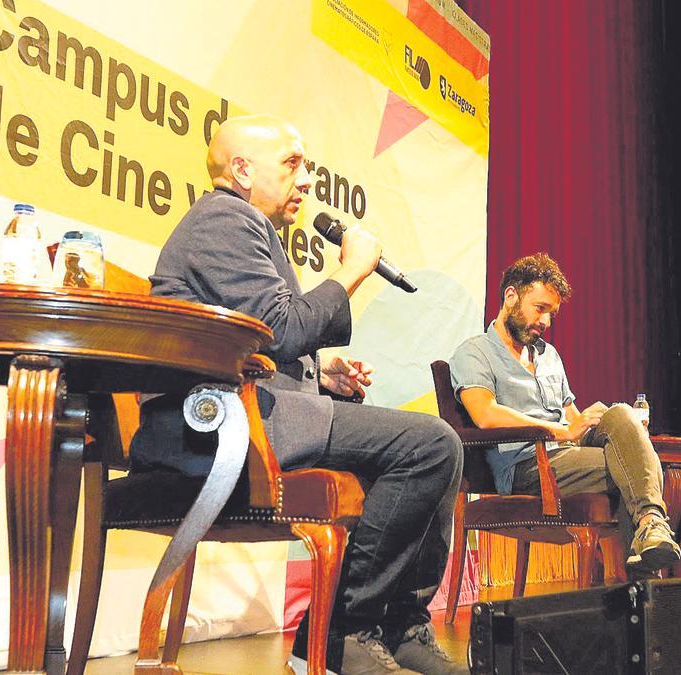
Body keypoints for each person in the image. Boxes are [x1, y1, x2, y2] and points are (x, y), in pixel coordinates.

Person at [130, 114, 466, 675]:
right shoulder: (222, 219)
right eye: (291, 163)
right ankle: (338, 634)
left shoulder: (247, 226)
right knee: (431, 446)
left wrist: (321, 367)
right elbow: (283, 327)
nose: (307, 179)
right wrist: (353, 270)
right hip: (221, 426)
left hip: (261, 409)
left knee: (439, 449)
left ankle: (400, 625)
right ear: (241, 170)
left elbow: (264, 336)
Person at [449, 253, 679, 574]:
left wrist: (597, 422)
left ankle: (649, 531)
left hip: (567, 456)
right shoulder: (474, 352)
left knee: (621, 414)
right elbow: (485, 414)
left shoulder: (549, 355)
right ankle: (644, 571)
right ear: (511, 296)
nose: (545, 322)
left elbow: (571, 417)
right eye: (540, 309)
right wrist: (559, 432)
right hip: (527, 467)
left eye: (551, 314)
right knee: (639, 470)